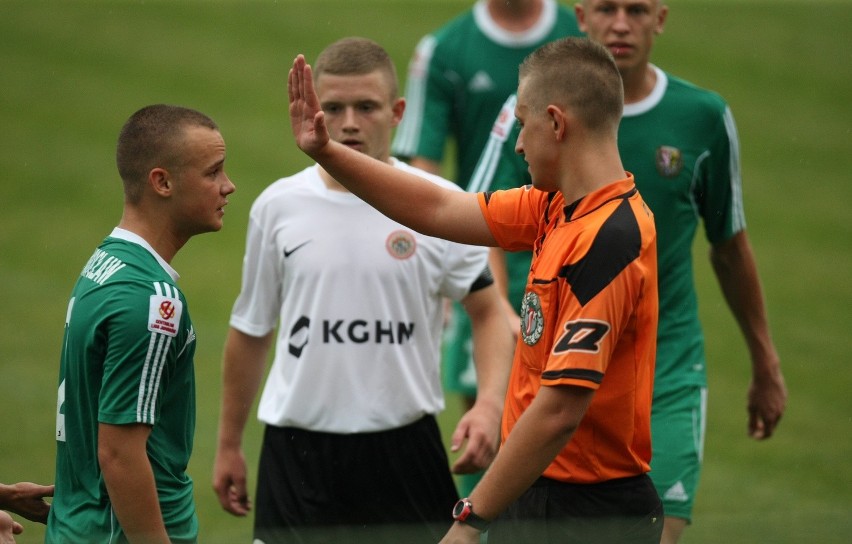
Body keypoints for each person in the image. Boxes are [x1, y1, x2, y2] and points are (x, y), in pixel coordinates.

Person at [290, 36, 663, 544]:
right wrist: (327, 153)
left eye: (523, 124)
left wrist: (469, 522)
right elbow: (438, 210)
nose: (517, 145)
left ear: (556, 123)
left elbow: (558, 411)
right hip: (534, 490)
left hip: (590, 513)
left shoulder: (610, 241)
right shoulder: (554, 207)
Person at [471, 2, 788, 542]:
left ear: (660, 18)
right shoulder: (531, 111)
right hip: (554, 350)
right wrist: (499, 314)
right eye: (606, 8)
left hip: (665, 370)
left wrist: (765, 361)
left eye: (636, 9)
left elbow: (729, 244)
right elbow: (474, 215)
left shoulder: (703, 117)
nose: (621, 23)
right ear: (580, 17)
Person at [213, 37, 513, 544]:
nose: (348, 122)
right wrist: (228, 444)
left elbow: (489, 311)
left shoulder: (440, 204)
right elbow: (251, 329)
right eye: (333, 107)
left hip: (404, 450)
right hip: (297, 451)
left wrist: (488, 404)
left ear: (396, 112)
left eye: (366, 107)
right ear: (311, 109)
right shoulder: (277, 206)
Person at [391, 0, 583, 496]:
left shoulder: (580, 32)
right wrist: (459, 281)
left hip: (573, 264)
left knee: (572, 435)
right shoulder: (445, 50)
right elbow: (423, 174)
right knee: (486, 433)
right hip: (485, 262)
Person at [46, 104, 236, 543]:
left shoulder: (104, 263)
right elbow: (119, 454)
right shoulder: (152, 301)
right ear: (162, 182)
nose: (228, 186)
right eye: (213, 173)